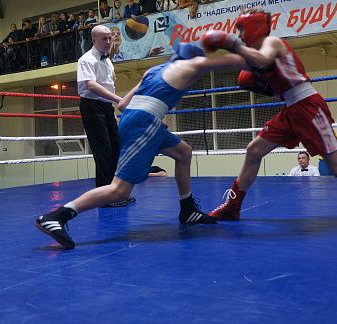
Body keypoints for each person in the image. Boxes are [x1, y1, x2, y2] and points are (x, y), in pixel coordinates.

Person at [201, 8, 337, 220]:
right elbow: (262, 76)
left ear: (255, 28)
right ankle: (232, 206)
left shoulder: (272, 42)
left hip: (308, 107)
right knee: (254, 151)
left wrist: (229, 43)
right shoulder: (254, 55)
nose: (239, 36)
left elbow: (262, 61)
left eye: (241, 30)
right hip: (290, 110)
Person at [36, 41, 247, 249]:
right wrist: (242, 46)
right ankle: (57, 216)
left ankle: (187, 209)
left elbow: (123, 103)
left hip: (142, 120)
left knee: (183, 152)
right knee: (119, 191)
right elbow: (233, 60)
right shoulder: (188, 66)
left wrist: (154, 113)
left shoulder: (154, 70)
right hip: (143, 125)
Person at [76, 25, 133, 208]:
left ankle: (115, 193)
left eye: (110, 38)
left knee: (117, 147)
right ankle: (104, 197)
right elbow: (91, 86)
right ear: (94, 40)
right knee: (103, 151)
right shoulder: (86, 59)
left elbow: (108, 86)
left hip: (106, 107)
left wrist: (112, 107)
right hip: (91, 107)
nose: (108, 42)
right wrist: (119, 100)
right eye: (104, 39)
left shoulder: (108, 61)